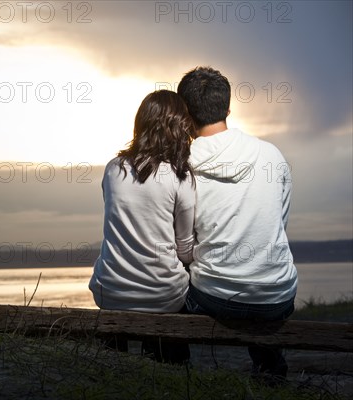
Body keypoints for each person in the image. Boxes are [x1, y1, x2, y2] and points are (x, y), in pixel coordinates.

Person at [177, 66, 298, 381]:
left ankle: (174, 374)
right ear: (228, 109)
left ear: (184, 113)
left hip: (214, 299)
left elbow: (182, 239)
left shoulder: (181, 164)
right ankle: (270, 370)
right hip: (278, 297)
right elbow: (277, 223)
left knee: (171, 284)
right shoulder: (272, 156)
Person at [89, 90, 195, 364]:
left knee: (111, 363)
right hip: (164, 297)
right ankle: (166, 367)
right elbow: (184, 249)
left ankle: (113, 368)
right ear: (179, 128)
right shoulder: (181, 177)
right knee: (171, 354)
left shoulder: (114, 169)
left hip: (109, 292)